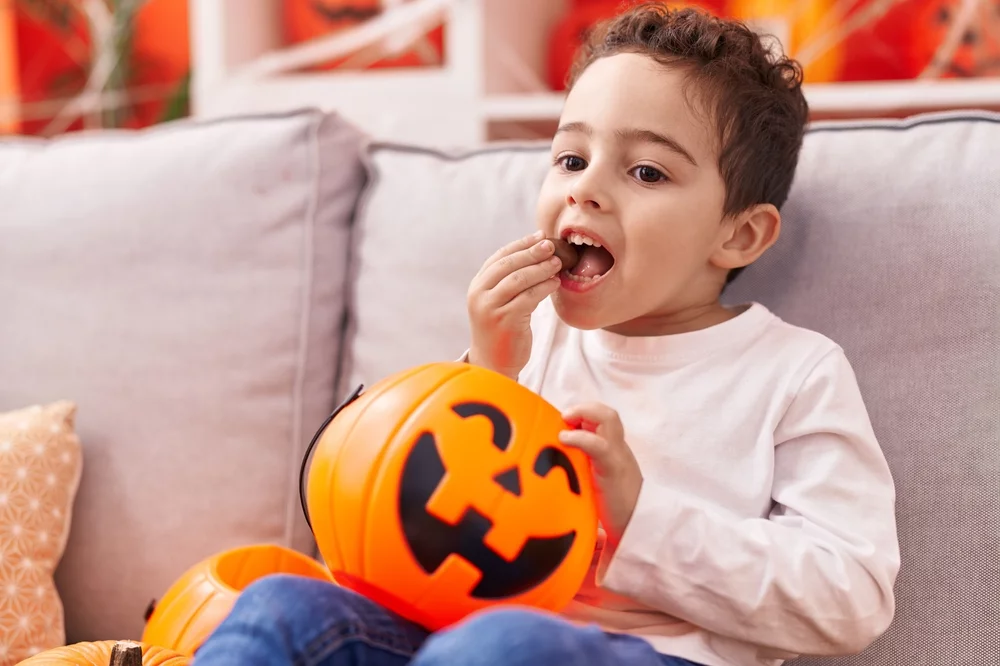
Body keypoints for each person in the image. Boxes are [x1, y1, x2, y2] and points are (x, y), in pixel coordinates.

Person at [191, 4, 900, 666]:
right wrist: (484, 377)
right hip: (463, 635)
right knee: (282, 608)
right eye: (570, 158)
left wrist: (638, 516)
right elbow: (429, 520)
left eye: (646, 171)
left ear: (739, 233)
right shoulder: (536, 346)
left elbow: (853, 596)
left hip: (655, 656)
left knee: (502, 644)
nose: (584, 190)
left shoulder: (792, 373)